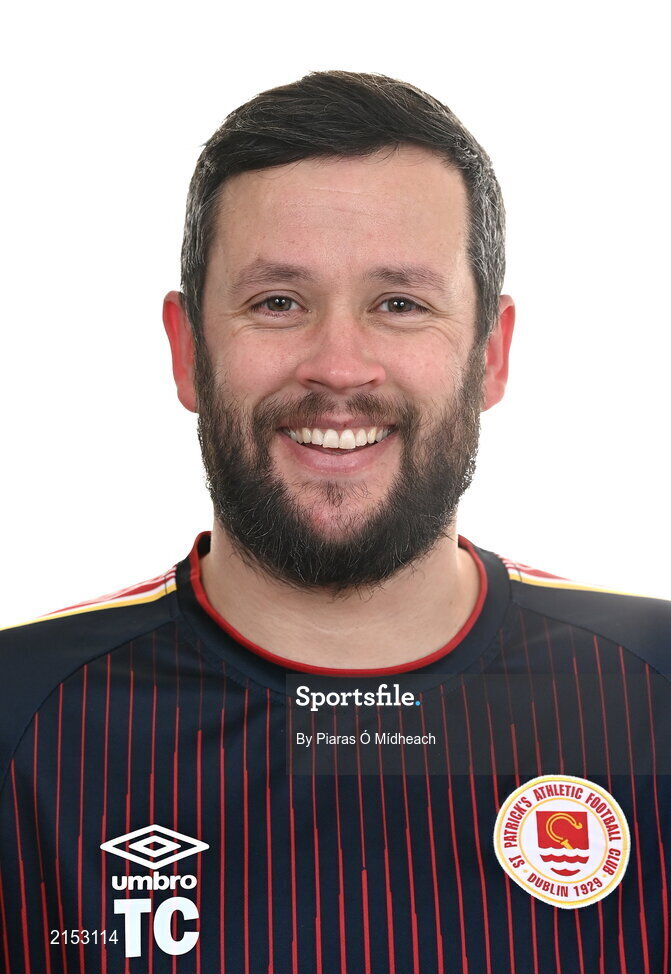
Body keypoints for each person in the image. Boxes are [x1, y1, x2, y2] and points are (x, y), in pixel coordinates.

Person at [0, 71, 669, 974]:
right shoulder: (20, 718)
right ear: (188, 349)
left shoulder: (652, 693)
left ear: (490, 354)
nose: (339, 366)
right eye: (278, 302)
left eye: (400, 304)